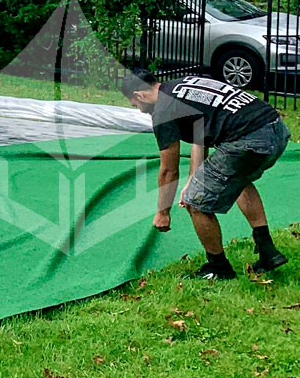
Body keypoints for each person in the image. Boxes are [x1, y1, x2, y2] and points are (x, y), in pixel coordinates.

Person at [122, 68, 290, 280]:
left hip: (249, 140)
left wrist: (162, 212)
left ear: (139, 95)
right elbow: (199, 137)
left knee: (195, 202)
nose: (139, 110)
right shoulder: (186, 84)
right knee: (238, 178)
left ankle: (219, 268)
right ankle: (268, 251)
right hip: (276, 129)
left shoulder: (163, 111)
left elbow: (168, 171)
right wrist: (193, 178)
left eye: (135, 105)